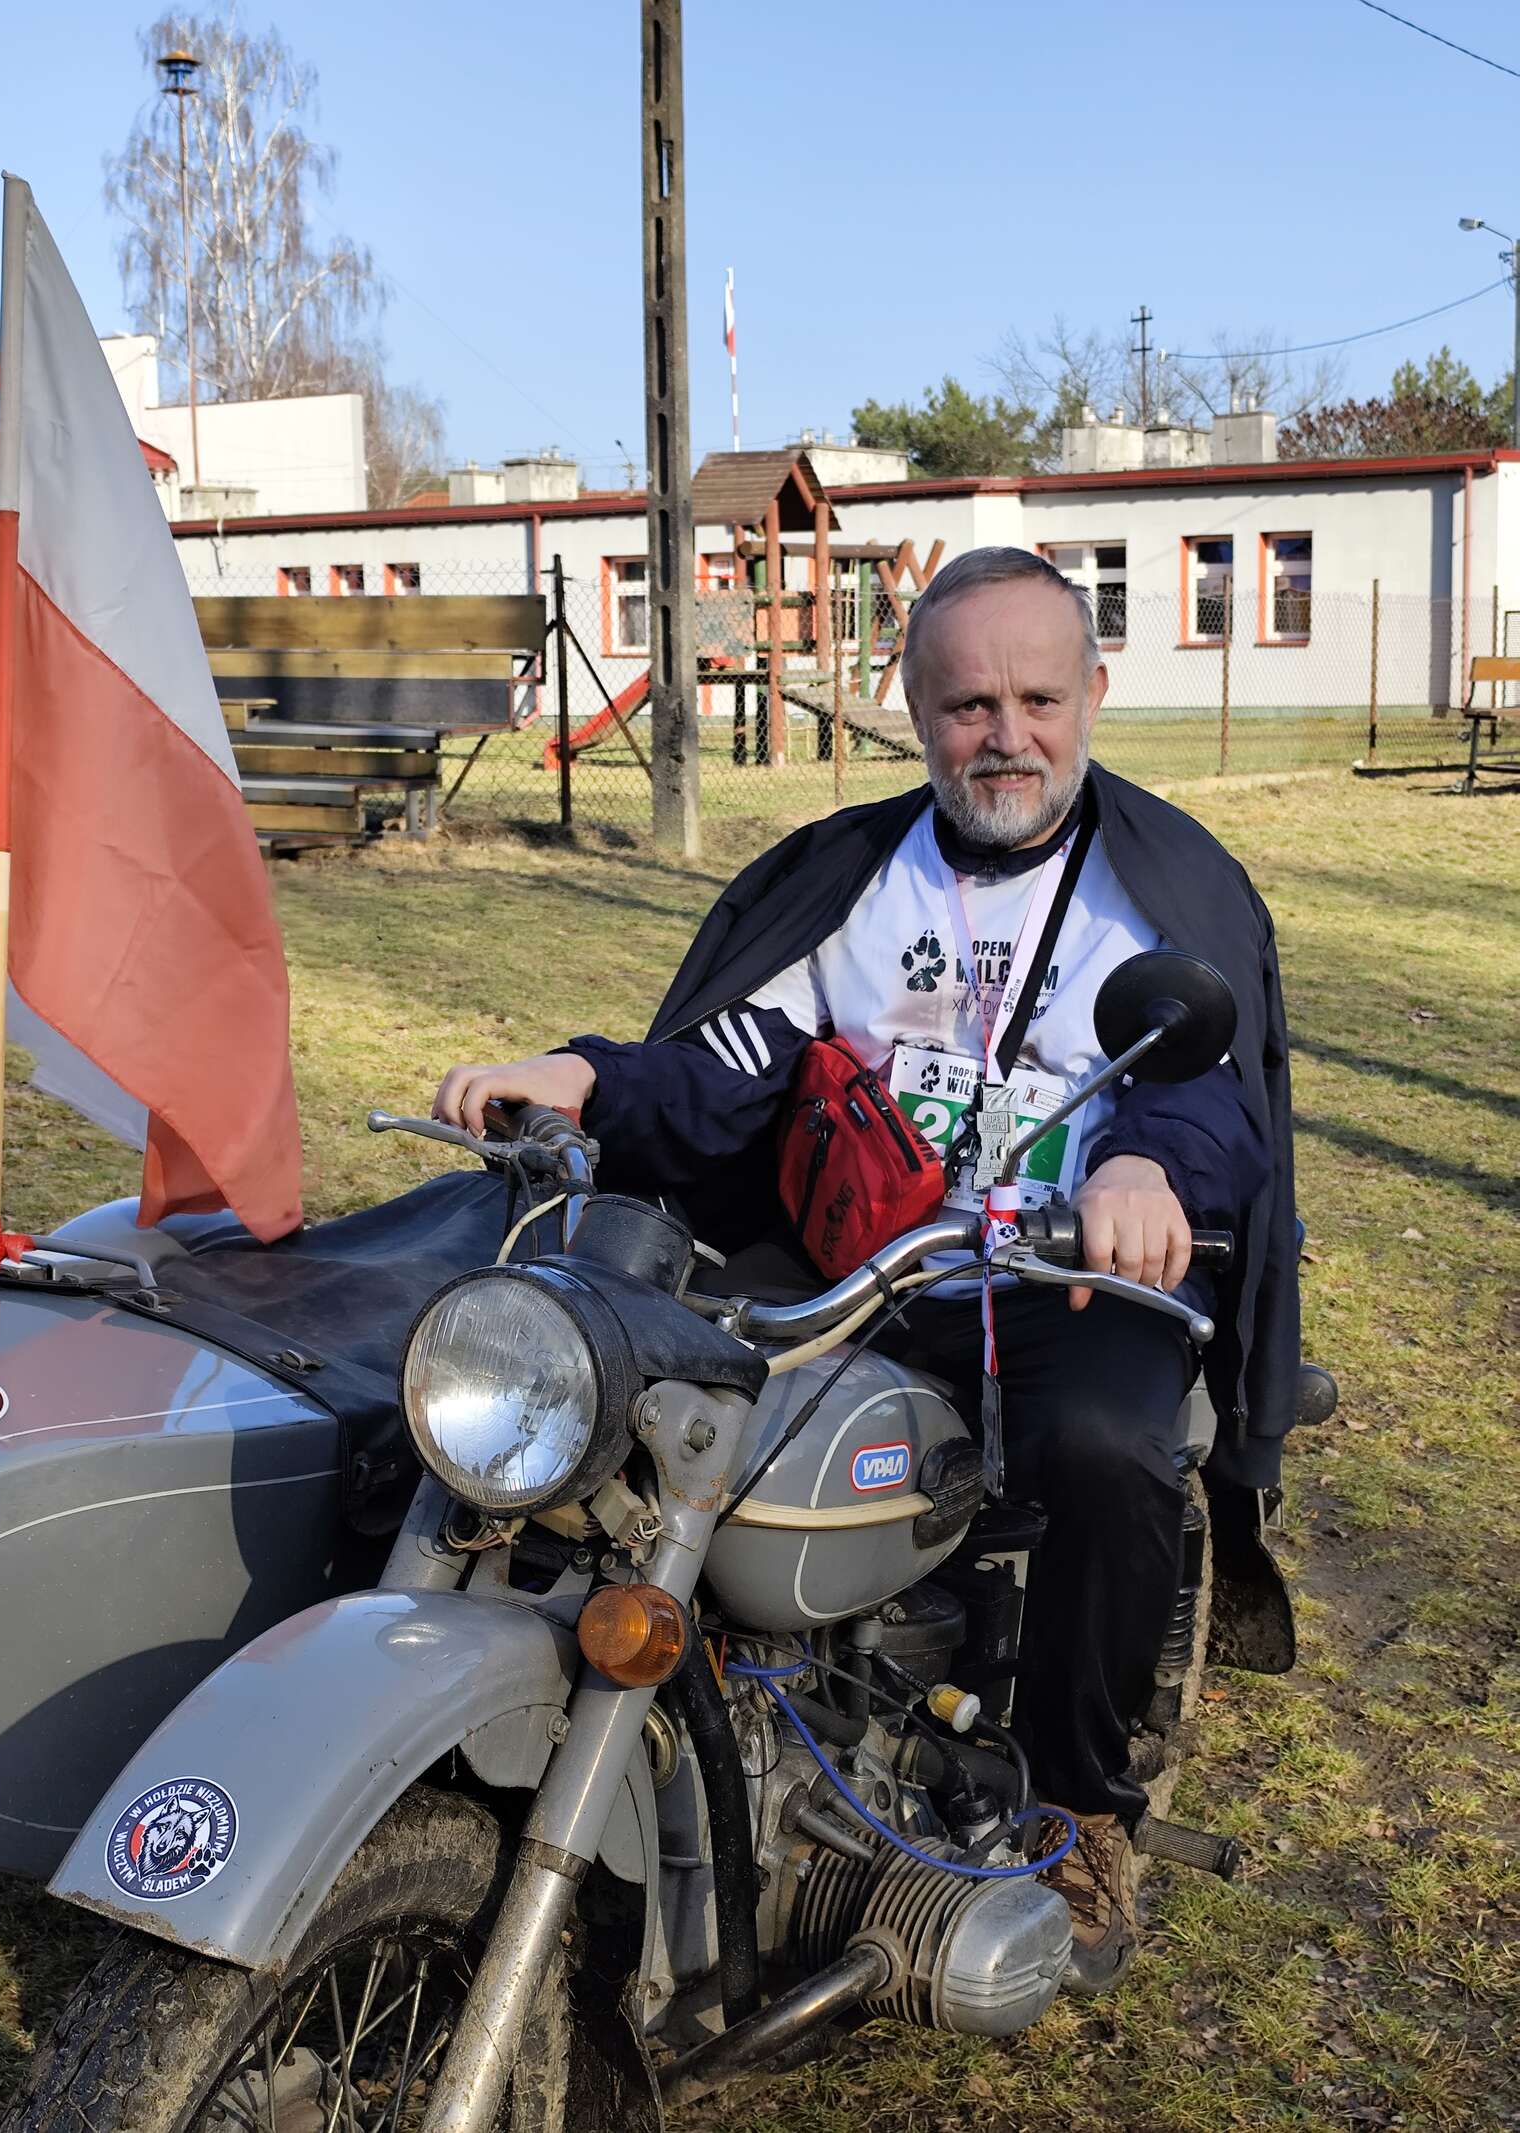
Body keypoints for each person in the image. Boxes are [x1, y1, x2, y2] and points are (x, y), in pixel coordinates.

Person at [433, 545, 1298, 1991]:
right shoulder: (850, 882)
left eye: (1037, 699)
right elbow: (734, 1060)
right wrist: (587, 1077)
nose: (1005, 736)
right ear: (913, 707)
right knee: (641, 1391)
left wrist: (1148, 1172)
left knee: (1107, 1447)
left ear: (1094, 694)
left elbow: (1205, 1086)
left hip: (1071, 1276)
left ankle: (1083, 1806)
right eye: (968, 705)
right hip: (864, 1261)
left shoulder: (1160, 892)